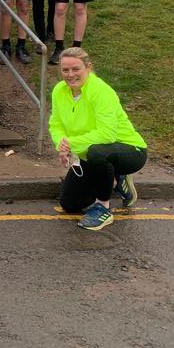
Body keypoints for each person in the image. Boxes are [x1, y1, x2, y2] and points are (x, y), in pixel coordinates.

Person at [50, 48, 147, 231]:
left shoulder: (102, 91)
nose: (70, 75)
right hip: (90, 154)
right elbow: (55, 124)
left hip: (130, 150)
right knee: (70, 204)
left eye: (76, 69)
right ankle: (117, 180)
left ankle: (103, 207)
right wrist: (61, 145)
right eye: (65, 70)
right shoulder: (59, 91)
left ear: (88, 67)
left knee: (97, 152)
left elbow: (106, 134)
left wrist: (71, 144)